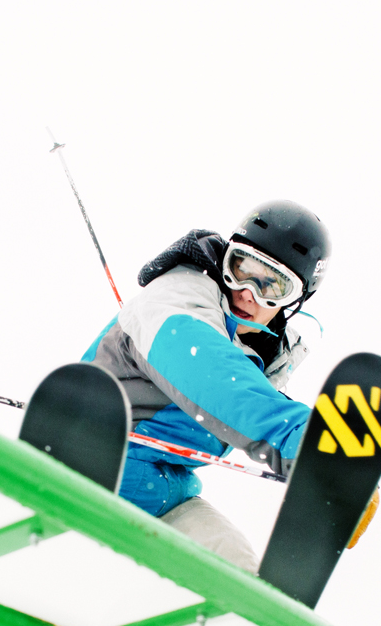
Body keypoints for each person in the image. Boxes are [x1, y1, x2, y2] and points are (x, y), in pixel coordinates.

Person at [83, 201, 329, 571]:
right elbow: (209, 373)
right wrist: (302, 438)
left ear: (294, 300)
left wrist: (338, 480)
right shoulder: (178, 294)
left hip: (160, 494)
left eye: (272, 285)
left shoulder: (260, 366)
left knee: (234, 566)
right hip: (92, 464)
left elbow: (240, 388)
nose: (248, 292)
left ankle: (247, 620)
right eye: (242, 268)